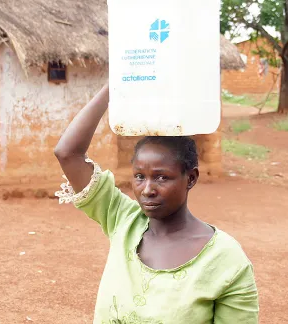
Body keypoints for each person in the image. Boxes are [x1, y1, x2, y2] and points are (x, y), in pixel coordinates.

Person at [54, 84, 259, 323]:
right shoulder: (123, 220)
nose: (147, 190)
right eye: (140, 176)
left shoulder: (225, 260)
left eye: (162, 177)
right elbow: (67, 153)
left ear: (190, 178)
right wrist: (116, 85)